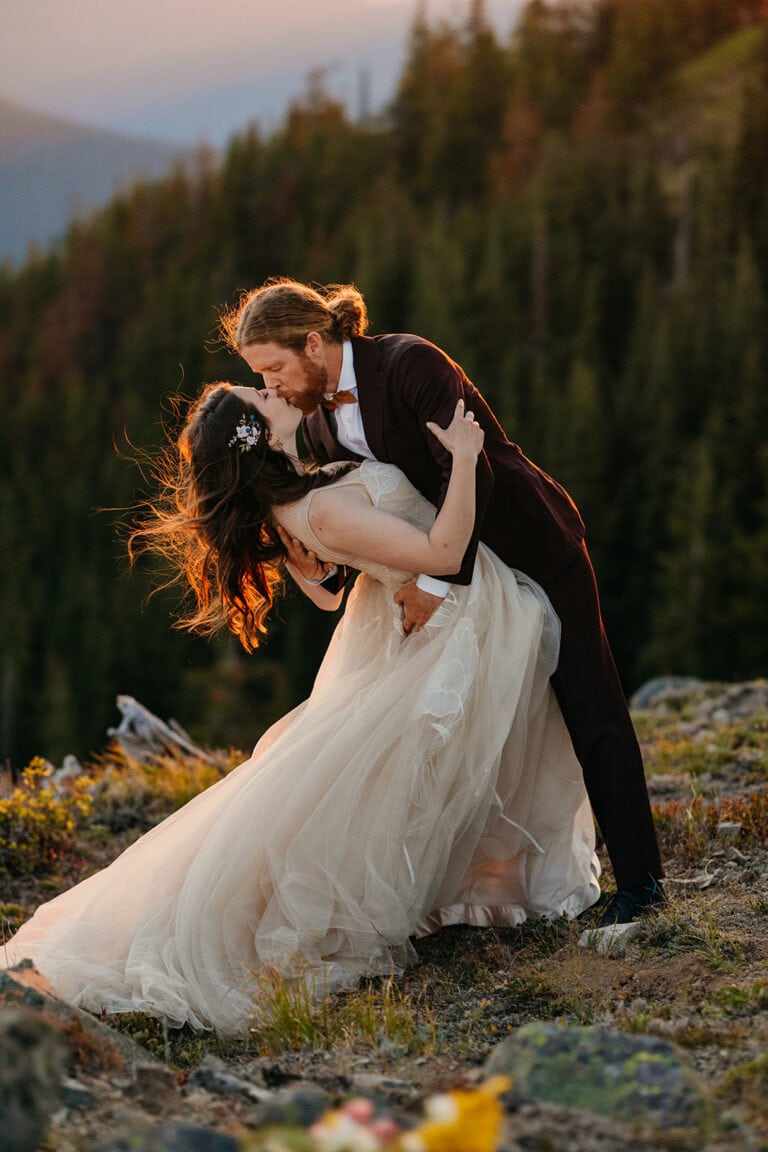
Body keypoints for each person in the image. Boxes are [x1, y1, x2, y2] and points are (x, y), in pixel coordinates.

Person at [1, 382, 600, 1034]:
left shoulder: (305, 498)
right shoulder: (316, 512)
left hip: (418, 624)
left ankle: (462, 884)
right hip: (456, 622)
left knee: (385, 788)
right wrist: (462, 459)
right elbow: (445, 555)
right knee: (389, 788)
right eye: (258, 395)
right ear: (256, 432)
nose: (270, 389)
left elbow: (328, 589)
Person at [223, 278, 665, 927]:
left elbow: (474, 466)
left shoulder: (410, 364)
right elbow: (371, 517)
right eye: (260, 375)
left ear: (313, 342)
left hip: (531, 547)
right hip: (469, 584)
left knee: (589, 705)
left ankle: (642, 884)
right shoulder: (318, 426)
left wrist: (433, 586)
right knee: (476, 733)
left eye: (274, 368)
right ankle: (483, 893)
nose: (275, 384)